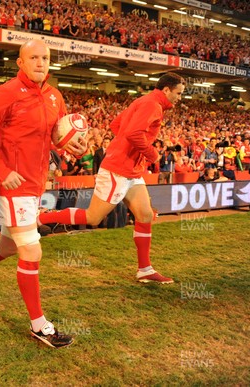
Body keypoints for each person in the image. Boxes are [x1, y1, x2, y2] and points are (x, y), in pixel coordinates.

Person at [0, 40, 85, 349]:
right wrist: (0, 170)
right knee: (32, 251)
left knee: (9, 245)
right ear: (20, 63)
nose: (40, 62)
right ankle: (40, 325)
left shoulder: (54, 96)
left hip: (34, 184)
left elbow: (55, 136)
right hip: (10, 185)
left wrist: (71, 145)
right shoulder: (6, 93)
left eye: (45, 58)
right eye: (33, 57)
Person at [37, 72, 186, 285]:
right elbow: (134, 133)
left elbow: (116, 125)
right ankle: (42, 217)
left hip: (130, 169)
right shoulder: (152, 105)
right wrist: (152, 154)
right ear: (166, 90)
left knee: (144, 215)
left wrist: (124, 149)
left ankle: (144, 269)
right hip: (119, 169)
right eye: (178, 93)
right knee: (93, 218)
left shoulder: (146, 101)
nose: (180, 98)